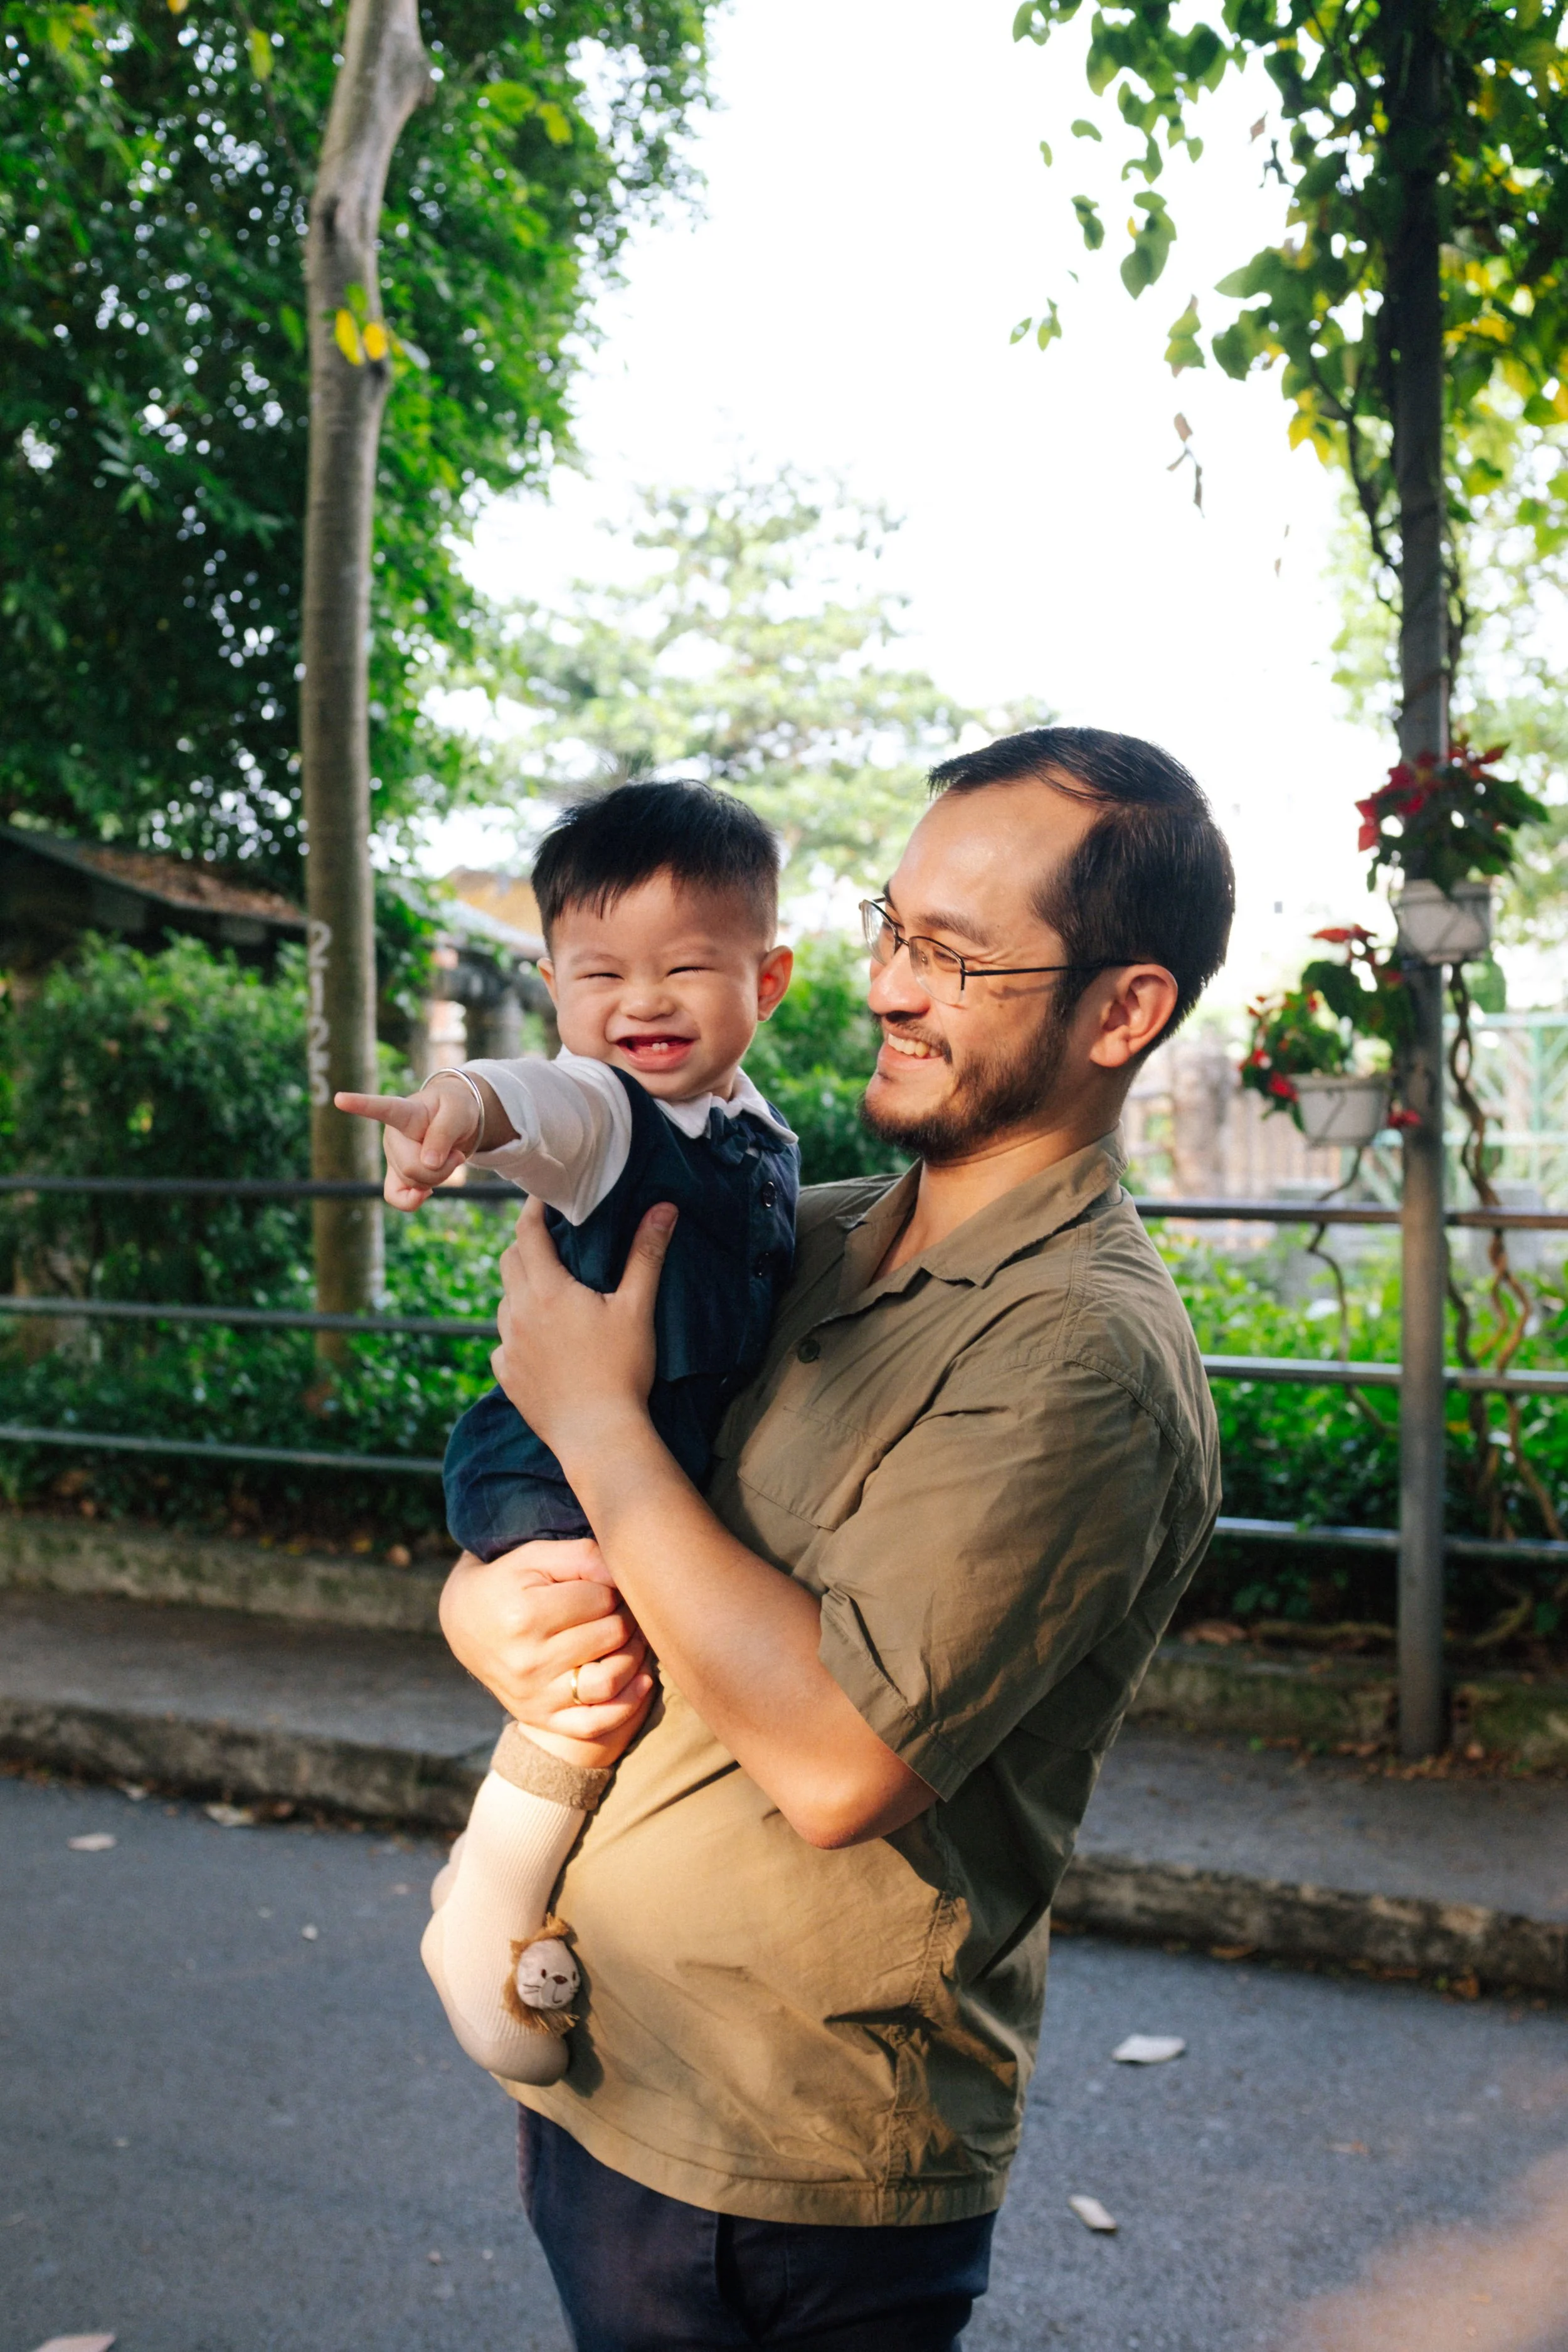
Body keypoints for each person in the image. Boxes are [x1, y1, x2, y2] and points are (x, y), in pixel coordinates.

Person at [438, 726, 1234, 2352]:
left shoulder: (1074, 1351)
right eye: (890, 925)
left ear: (1122, 1007)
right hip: (610, 2065)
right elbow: (581, 1505)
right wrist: (481, 1601)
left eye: (953, 953)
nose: (887, 984)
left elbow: (837, 1759)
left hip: (785, 2163)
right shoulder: (793, 1232)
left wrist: (592, 1417)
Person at [336, 781, 800, 2082]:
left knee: (630, 1652)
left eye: (686, 967)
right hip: (548, 1464)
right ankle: (485, 1906)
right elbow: (523, 1103)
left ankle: (526, 1898)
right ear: (552, 986)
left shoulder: (761, 1137)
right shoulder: (606, 1118)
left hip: (642, 1457)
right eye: (599, 973)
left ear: (767, 979)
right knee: (590, 1665)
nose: (640, 1002)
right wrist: (455, 1114)